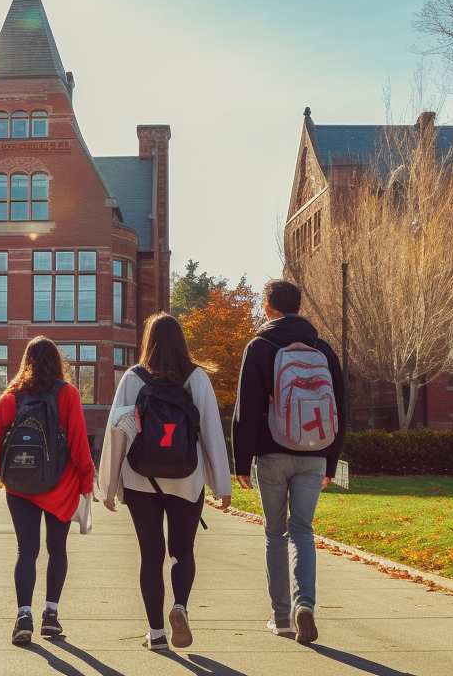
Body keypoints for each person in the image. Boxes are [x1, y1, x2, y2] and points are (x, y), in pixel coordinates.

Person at [97, 313, 233, 651]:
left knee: (150, 554)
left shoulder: (133, 378)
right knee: (181, 551)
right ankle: (180, 607)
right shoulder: (196, 377)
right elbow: (212, 431)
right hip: (187, 481)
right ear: (181, 341)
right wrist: (222, 485)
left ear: (148, 341)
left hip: (141, 480)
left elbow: (117, 432)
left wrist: (109, 485)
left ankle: (156, 634)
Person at [232, 279, 347, 644]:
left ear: (268, 307)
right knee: (302, 530)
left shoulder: (260, 346)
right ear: (299, 306)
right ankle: (305, 605)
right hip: (315, 454)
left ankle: (281, 618)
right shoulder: (323, 349)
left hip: (272, 453)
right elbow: (340, 408)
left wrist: (241, 461)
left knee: (274, 533)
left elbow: (246, 410)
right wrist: (331, 462)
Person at [0, 336, 95, 646]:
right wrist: (86, 482)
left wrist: (4, 471)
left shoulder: (13, 396)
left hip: (20, 489)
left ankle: (24, 616)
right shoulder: (68, 394)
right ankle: (51, 616)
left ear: (26, 362)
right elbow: (79, 445)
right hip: (60, 486)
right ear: (58, 362)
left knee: (26, 551)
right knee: (57, 549)